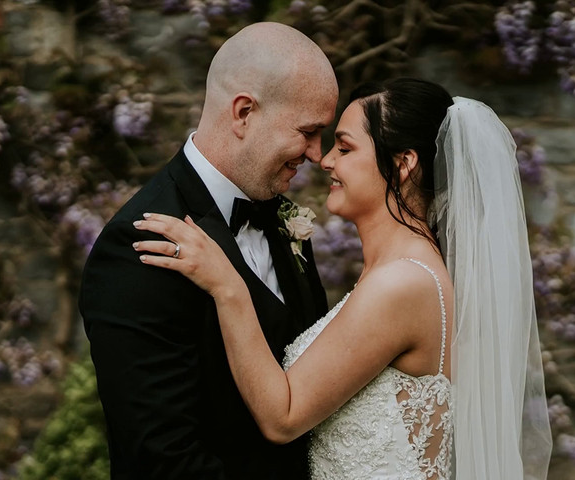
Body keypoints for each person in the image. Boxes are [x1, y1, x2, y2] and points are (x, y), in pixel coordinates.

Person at [134, 78, 553, 479]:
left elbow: (283, 417)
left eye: (345, 147)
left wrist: (227, 285)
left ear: (402, 164)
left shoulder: (402, 284)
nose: (326, 160)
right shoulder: (398, 273)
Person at [78, 22, 338, 479]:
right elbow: (162, 459)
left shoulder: (282, 216)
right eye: (309, 131)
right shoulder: (139, 244)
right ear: (243, 113)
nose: (318, 154)